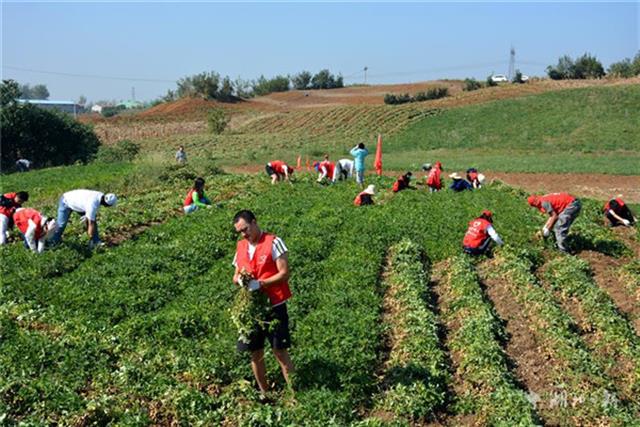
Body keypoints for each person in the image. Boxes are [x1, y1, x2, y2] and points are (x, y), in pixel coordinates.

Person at [232, 210, 294, 398]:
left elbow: (284, 273)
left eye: (246, 229)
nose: (244, 234)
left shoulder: (274, 242)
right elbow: (235, 275)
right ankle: (265, 393)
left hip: (274, 305)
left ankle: (294, 396)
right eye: (240, 231)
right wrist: (241, 281)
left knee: (279, 351)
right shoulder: (241, 246)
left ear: (254, 222)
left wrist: (262, 283)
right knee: (255, 352)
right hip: (252, 309)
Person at [51, 189, 118, 248]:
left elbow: (90, 219)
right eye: (110, 206)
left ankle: (96, 242)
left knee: (92, 220)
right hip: (66, 201)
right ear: (107, 204)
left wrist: (88, 217)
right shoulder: (92, 205)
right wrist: (89, 239)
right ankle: (53, 243)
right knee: (61, 224)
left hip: (78, 203)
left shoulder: (101, 196)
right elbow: (91, 224)